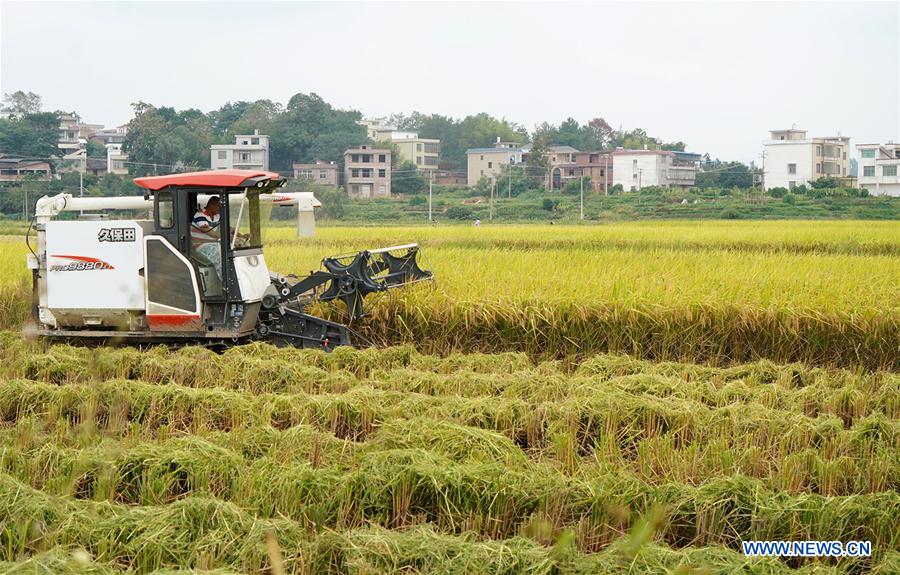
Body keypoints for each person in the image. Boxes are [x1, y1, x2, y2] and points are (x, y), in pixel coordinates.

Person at [191, 197, 223, 275]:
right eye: (218, 206)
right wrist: (224, 237)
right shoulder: (200, 215)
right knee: (219, 255)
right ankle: (225, 281)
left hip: (213, 243)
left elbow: (227, 227)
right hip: (200, 245)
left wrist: (240, 235)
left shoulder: (217, 216)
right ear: (211, 205)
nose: (220, 208)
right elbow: (207, 231)